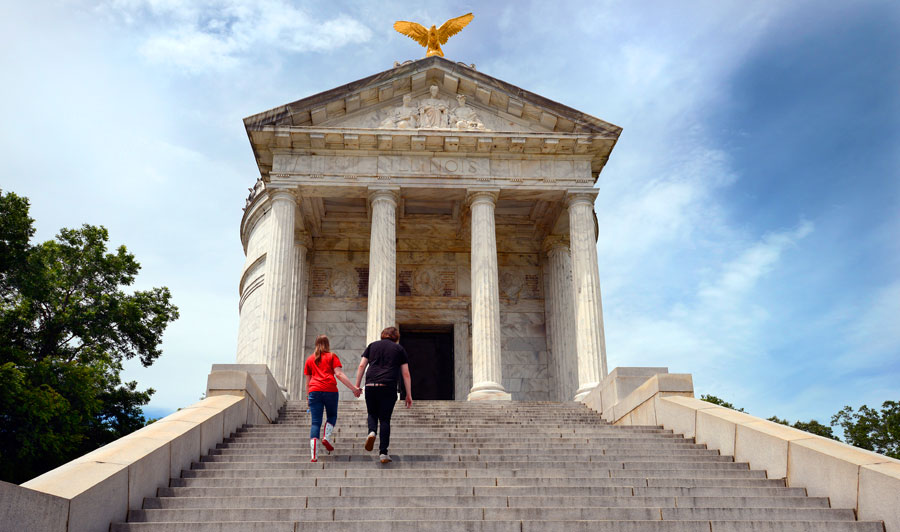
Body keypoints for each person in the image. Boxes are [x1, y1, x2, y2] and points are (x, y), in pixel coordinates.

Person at [355, 326, 412, 463]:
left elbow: (362, 366)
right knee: (385, 419)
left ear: (383, 335)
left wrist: (357, 386)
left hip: (371, 385)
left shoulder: (372, 346)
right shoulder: (399, 349)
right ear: (396, 337)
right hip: (388, 386)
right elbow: (405, 373)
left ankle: (372, 432)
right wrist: (408, 394)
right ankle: (383, 453)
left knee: (372, 413)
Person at [303, 334, 361, 463]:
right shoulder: (332, 356)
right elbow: (339, 374)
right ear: (327, 344)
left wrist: (308, 397)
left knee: (315, 423)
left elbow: (308, 382)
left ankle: (314, 456)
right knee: (332, 416)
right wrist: (353, 388)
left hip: (314, 391)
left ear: (315, 344)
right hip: (330, 390)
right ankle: (326, 437)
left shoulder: (309, 360)